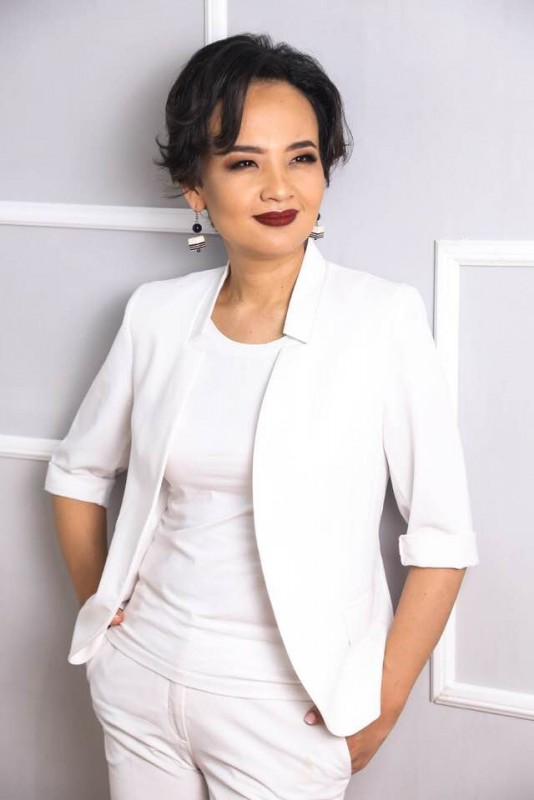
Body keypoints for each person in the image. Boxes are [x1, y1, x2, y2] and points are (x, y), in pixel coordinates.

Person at [45, 32, 479, 800]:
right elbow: (77, 474)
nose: (280, 187)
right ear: (195, 187)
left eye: (301, 157)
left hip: (287, 710)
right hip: (140, 681)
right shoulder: (156, 315)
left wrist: (381, 706)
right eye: (244, 163)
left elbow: (443, 538)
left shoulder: (381, 318)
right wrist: (101, 613)